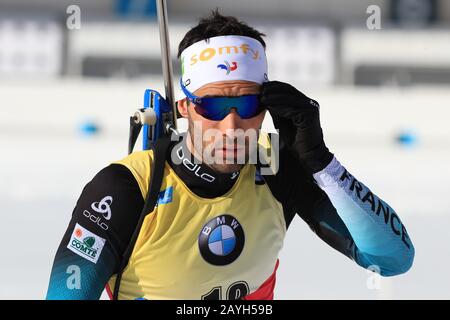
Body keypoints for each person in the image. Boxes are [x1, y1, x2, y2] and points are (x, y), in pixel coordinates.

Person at [46, 10, 414, 300]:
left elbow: (392, 259)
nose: (232, 124)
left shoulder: (275, 169)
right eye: (214, 105)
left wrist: (320, 162)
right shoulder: (126, 188)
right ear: (185, 108)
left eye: (248, 103)